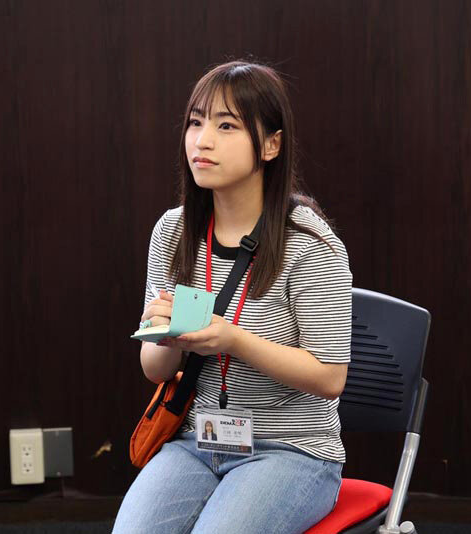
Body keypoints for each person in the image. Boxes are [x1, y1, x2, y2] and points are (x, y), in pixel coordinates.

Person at [112, 59, 353, 534]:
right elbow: (155, 370)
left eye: (226, 126)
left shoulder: (307, 243)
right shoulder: (174, 231)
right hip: (197, 442)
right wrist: (167, 335)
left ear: (271, 145)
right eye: (195, 122)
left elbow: (330, 377)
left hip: (292, 451)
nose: (202, 141)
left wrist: (233, 340)